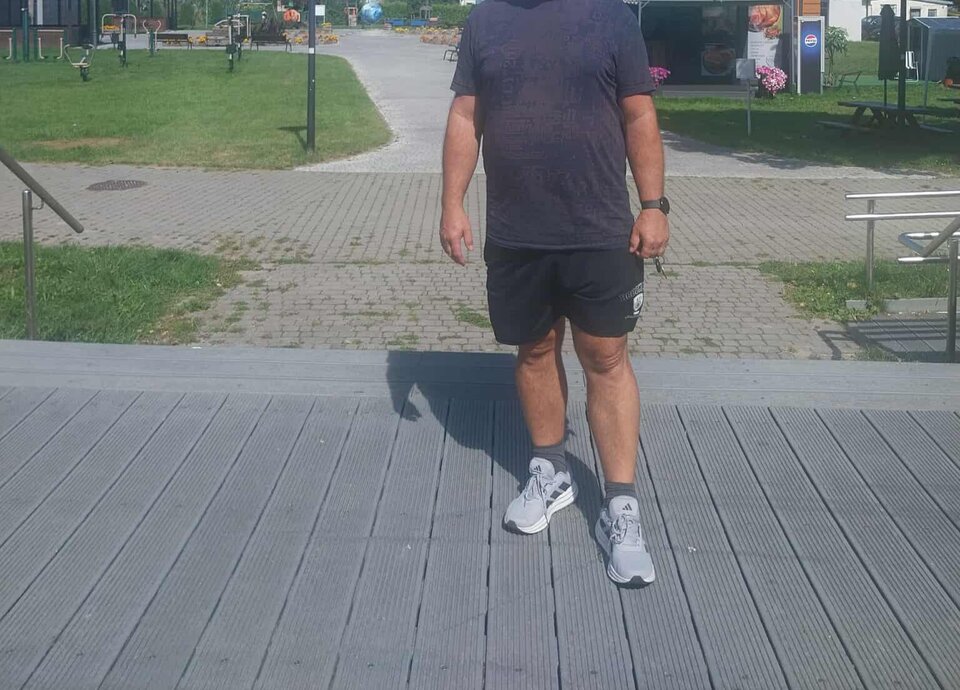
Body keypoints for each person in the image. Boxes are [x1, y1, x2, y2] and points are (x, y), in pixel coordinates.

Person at [439, 0, 669, 586]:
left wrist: (652, 205)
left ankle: (620, 504)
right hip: (517, 232)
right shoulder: (486, 20)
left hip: (599, 230)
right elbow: (466, 115)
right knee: (535, 350)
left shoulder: (612, 17)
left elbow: (639, 114)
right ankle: (551, 470)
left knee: (606, 359)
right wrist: (451, 203)